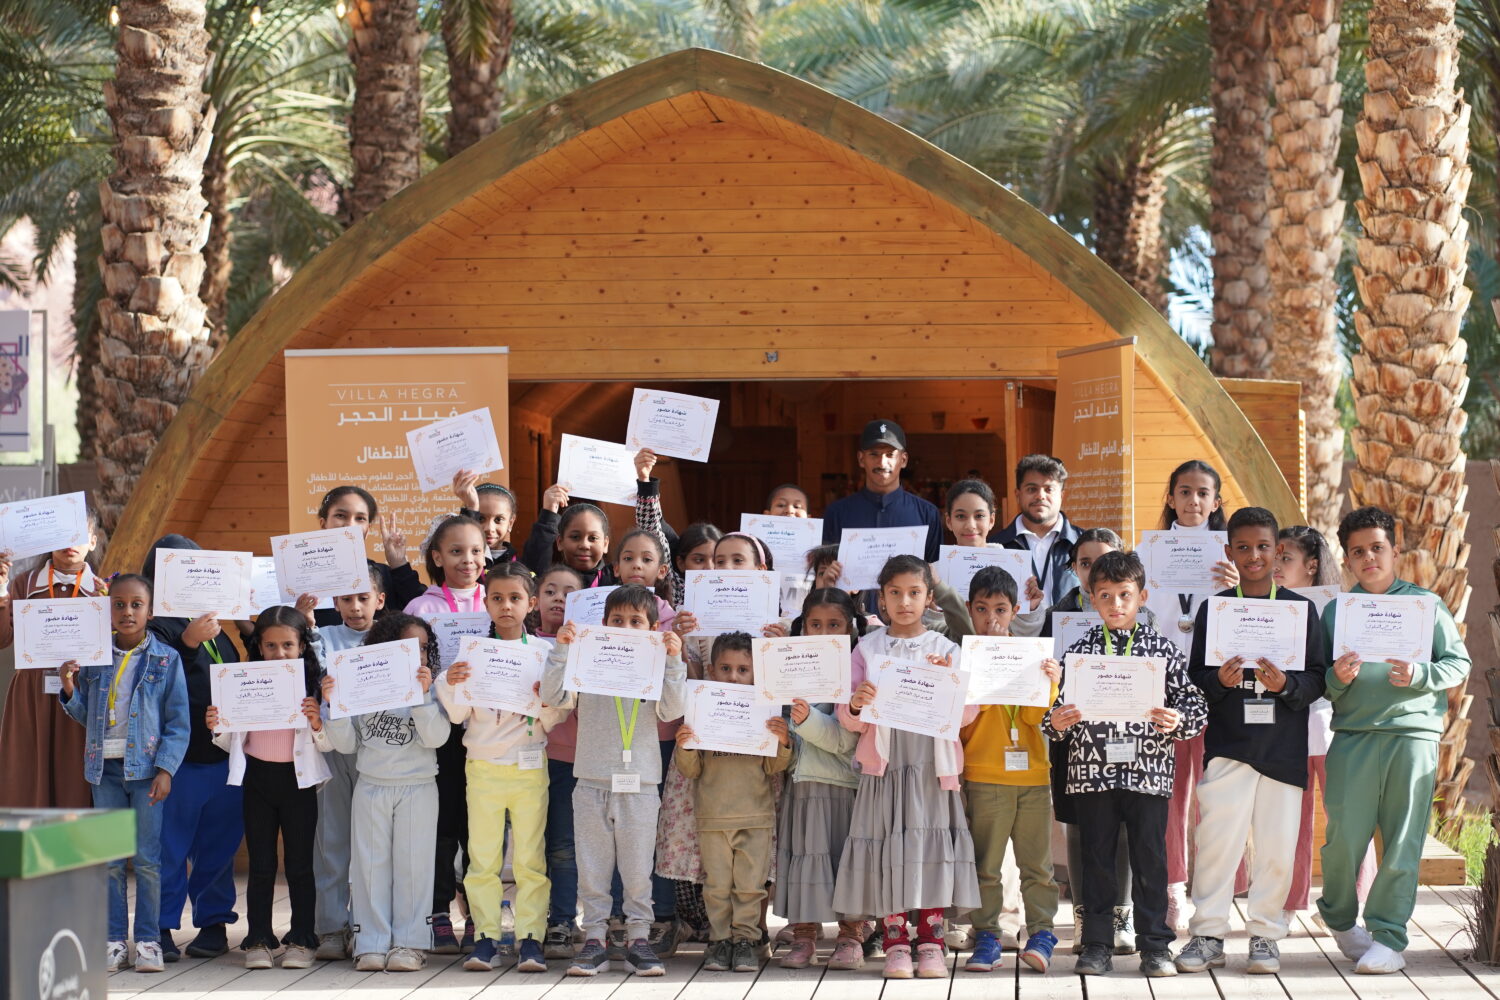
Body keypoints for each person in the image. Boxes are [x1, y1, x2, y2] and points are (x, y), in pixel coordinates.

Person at [1316, 506, 1471, 974]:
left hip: (1413, 735)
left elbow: (1458, 664)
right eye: (1358, 552)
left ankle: (1389, 936)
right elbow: (1319, 682)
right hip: (1353, 736)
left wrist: (1421, 674)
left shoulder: (1426, 606)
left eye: (1377, 548)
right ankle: (1341, 919)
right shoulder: (1336, 612)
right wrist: (1338, 678)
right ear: (1347, 559)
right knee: (1343, 837)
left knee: (1403, 839)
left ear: (1395, 551)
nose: (1368, 559)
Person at [1175, 507, 1327, 976]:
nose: (1254, 555)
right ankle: (1207, 934)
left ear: (1278, 551)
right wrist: (1218, 681)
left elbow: (1318, 678)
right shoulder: (1215, 608)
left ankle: (1265, 934)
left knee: (1278, 845)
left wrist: (1286, 686)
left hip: (1282, 747)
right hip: (1230, 743)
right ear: (1229, 552)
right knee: (1218, 841)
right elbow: (1197, 674)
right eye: (1243, 547)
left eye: (1263, 546)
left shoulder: (1301, 610)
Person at [1043, 550, 1207, 978]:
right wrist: (1057, 722)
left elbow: (1195, 705)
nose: (1116, 605)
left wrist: (1178, 720)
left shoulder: (1162, 651)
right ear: (1092, 599)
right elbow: (1054, 715)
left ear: (1142, 597)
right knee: (1095, 859)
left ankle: (1155, 945)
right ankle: (1096, 944)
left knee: (1151, 859)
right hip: (1092, 773)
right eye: (1106, 596)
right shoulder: (1078, 655)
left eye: (1124, 595)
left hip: (1148, 773)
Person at [834, 555, 980, 980]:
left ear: (929, 599)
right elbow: (848, 716)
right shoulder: (867, 648)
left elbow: (968, 712)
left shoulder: (945, 650)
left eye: (914, 592)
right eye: (894, 593)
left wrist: (951, 692)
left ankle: (931, 940)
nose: (904, 601)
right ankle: (896, 940)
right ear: (881, 598)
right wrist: (857, 703)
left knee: (929, 849)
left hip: (932, 767)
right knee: (889, 850)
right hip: (887, 765)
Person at [540, 584, 688, 977]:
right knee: (593, 866)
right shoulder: (589, 660)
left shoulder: (656, 665)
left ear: (653, 628)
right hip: (590, 780)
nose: (625, 627)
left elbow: (673, 709)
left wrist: (673, 661)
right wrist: (562, 650)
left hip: (639, 784)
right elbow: (555, 699)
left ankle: (638, 939)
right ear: (604, 624)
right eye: (617, 620)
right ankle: (594, 940)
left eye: (636, 622)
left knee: (639, 868)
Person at [437, 563, 566, 973]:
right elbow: (458, 715)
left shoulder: (544, 653)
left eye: (514, 598)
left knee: (530, 858)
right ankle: (486, 938)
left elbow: (559, 714)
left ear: (531, 603)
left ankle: (531, 938)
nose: (506, 606)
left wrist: (544, 701)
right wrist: (451, 681)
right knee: (483, 858)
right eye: (497, 598)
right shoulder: (472, 652)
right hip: (484, 767)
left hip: (530, 766)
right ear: (486, 602)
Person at [59, 573, 190, 973]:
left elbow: (178, 721)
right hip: (104, 772)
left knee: (148, 859)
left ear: (150, 611)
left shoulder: (167, 659)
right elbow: (86, 716)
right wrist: (69, 688)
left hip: (147, 772)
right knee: (112, 861)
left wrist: (166, 769)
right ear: (108, 609)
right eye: (119, 604)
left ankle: (148, 940)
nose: (127, 611)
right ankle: (114, 941)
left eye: (136, 604)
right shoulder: (94, 658)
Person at [1037, 528, 1152, 955]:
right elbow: (1041, 678)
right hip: (1076, 737)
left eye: (1105, 561)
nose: (1096, 570)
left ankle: (1120, 915)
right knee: (1080, 829)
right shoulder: (1057, 614)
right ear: (1078, 572)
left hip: (1128, 738)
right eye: (1086, 563)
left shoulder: (1144, 619)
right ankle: (1085, 917)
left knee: (1120, 829)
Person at [321, 613, 449, 973]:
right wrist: (334, 704)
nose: (420, 655)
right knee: (370, 867)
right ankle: (371, 942)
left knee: (414, 866)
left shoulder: (432, 687)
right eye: (410, 647)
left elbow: (437, 737)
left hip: (418, 787)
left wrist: (424, 697)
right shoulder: (362, 684)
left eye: (424, 648)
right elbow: (345, 745)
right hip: (372, 786)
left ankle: (410, 943)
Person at [207, 606, 329, 969]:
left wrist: (318, 722)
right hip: (258, 781)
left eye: (288, 645)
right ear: (258, 646)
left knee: (300, 865)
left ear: (302, 645)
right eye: (271, 646)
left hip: (298, 782)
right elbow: (230, 743)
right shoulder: (241, 681)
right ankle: (259, 938)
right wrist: (218, 725)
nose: (279, 653)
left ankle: (302, 939)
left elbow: (329, 745)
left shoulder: (315, 686)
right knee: (260, 864)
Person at [143, 535, 245, 963]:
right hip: (178, 759)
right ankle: (161, 926)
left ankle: (214, 921)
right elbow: (153, 681)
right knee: (170, 846)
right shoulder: (154, 625)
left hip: (224, 756)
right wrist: (185, 642)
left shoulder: (217, 627)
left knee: (219, 843)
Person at [1149, 458, 1238, 928]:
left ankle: (1217, 892)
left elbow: (1253, 619)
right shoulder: (1150, 552)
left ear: (1216, 502)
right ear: (1170, 497)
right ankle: (1173, 890)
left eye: (1203, 493)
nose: (1193, 501)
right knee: (1172, 795)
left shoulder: (1230, 558)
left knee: (1218, 795)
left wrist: (1237, 589)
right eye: (1184, 492)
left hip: (1217, 689)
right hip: (1166, 687)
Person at [959, 567, 1061, 974]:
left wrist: (1051, 683)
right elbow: (960, 722)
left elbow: (1037, 717)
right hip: (984, 774)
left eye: (1000, 609)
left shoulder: (1031, 655)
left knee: (1037, 864)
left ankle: (1041, 932)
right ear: (969, 610)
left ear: (1016, 609)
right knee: (986, 864)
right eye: (982, 609)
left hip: (1033, 774)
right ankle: (987, 934)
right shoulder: (962, 657)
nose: (991, 619)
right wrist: (980, 681)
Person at [674, 631, 793, 974]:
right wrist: (686, 746)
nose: (734, 676)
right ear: (711, 670)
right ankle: (719, 940)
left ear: (757, 673)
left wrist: (782, 742)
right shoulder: (701, 709)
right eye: (725, 668)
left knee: (750, 887)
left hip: (756, 817)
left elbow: (773, 767)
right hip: (712, 817)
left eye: (743, 669)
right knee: (716, 886)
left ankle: (745, 941)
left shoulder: (764, 710)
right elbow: (691, 770)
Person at [1273, 525, 1376, 917]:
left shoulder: (1341, 609)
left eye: (1287, 558)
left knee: (1346, 815)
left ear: (1312, 565)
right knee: (1292, 818)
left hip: (1333, 723)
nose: (1277, 565)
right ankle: (1291, 902)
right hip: (1289, 724)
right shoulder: (1269, 605)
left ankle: (1355, 896)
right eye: (1276, 556)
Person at [405, 514, 488, 952]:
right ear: (436, 557)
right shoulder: (421, 607)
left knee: (480, 824)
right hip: (439, 731)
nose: (467, 559)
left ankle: (478, 911)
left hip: (487, 732)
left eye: (475, 550)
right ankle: (438, 910)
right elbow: (407, 667)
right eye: (455, 551)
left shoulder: (495, 599)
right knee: (442, 825)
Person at [775, 589, 867, 970]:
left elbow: (845, 739)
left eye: (834, 624)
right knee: (805, 861)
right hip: (802, 784)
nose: (824, 631)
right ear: (803, 626)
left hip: (844, 786)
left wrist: (805, 720)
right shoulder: (788, 667)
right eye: (816, 624)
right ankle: (804, 936)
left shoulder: (854, 673)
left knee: (845, 862)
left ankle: (851, 936)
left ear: (850, 628)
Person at [0, 505, 104, 809]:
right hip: (32, 697)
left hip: (81, 696)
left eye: (79, 533)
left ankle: (75, 855)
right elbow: (3, 639)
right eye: (61, 533)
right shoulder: (22, 584)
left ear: (94, 541)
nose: (70, 541)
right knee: (27, 781)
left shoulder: (104, 590)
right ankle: (27, 854)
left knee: (75, 782)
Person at [311, 565, 389, 960]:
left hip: (381, 755)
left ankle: (367, 926)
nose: (355, 607)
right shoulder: (324, 638)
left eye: (363, 598)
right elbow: (305, 658)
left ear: (380, 600)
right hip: (334, 752)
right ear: (335, 603)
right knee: (332, 840)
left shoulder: (394, 639)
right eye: (346, 599)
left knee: (373, 846)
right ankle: (330, 928)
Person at [821, 420, 942, 612]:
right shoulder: (837, 513)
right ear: (861, 459)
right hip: (850, 622)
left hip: (909, 621)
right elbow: (822, 575)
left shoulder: (927, 514)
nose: (882, 462)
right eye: (874, 454)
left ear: (903, 459)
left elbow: (935, 575)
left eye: (889, 454)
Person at [533, 565, 588, 960]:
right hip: (524, 759)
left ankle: (563, 919)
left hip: (571, 760)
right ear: (534, 600)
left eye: (569, 593)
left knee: (564, 846)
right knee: (532, 847)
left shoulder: (592, 647)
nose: (558, 598)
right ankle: (529, 920)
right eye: (549, 590)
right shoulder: (521, 643)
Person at [991, 455, 1082, 609]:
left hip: (1071, 632)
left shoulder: (1083, 544)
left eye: (1049, 489)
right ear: (1018, 495)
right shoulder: (996, 547)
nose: (1040, 496)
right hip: (1015, 633)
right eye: (1032, 489)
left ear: (1061, 495)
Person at [521, 489, 616, 587]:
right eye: (575, 537)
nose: (584, 545)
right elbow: (533, 563)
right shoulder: (547, 581)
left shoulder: (617, 579)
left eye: (593, 538)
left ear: (605, 544)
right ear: (560, 542)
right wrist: (548, 514)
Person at [451, 470, 519, 567]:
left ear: (510, 523)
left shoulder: (520, 565)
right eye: (480, 519)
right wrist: (471, 507)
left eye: (498, 519)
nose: (489, 528)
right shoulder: (461, 565)